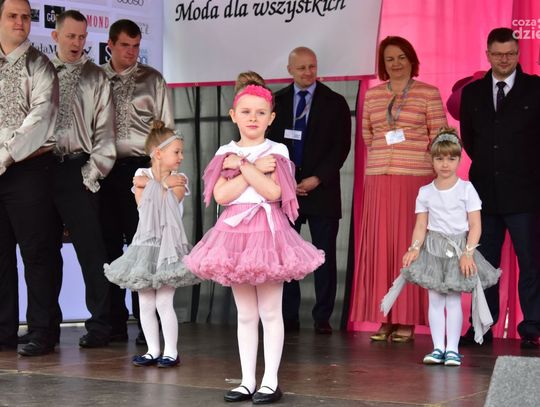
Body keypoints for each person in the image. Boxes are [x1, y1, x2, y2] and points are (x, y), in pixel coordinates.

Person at [184, 73, 324, 404]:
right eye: (246, 112)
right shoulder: (225, 151)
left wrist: (246, 167)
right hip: (234, 234)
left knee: (271, 312)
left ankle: (270, 381)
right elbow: (222, 195)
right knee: (246, 313)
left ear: (271, 118)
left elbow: (274, 192)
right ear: (234, 115)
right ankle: (247, 380)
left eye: (261, 113)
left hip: (268, 232)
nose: (253, 118)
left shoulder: (277, 150)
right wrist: (253, 168)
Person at [349, 36, 448, 342]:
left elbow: (440, 136)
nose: (396, 64)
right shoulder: (373, 95)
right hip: (379, 178)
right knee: (381, 249)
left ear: (412, 60)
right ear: (383, 64)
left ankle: (407, 319)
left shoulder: (428, 93)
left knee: (410, 247)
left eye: (402, 57)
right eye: (390, 59)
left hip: (414, 178)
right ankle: (385, 317)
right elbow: (368, 135)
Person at [380, 128, 501, 366]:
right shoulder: (425, 192)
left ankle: (452, 349)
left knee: (453, 299)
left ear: (459, 160)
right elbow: (421, 225)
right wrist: (415, 248)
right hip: (433, 250)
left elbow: (475, 225)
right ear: (432, 159)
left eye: (451, 158)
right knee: (435, 299)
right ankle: (438, 348)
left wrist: (467, 253)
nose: (445, 164)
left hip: (458, 250)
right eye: (440, 158)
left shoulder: (466, 189)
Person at [460, 27, 540, 348]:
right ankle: (481, 326)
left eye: (510, 54)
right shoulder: (472, 93)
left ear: (518, 54)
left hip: (526, 194)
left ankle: (532, 328)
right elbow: (470, 140)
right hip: (484, 195)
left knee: (530, 264)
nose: (504, 59)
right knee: (483, 265)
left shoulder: (536, 88)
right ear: (488, 55)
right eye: (498, 54)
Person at [101, 19, 175, 345]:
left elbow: (166, 131)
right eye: (124, 46)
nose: (131, 52)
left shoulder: (152, 79)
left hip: (141, 171)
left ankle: (147, 326)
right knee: (107, 247)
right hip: (103, 170)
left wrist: (162, 176)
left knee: (143, 246)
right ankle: (112, 323)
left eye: (136, 46)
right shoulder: (95, 79)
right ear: (110, 45)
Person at [267, 46, 351, 334]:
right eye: (301, 67)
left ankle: (322, 316)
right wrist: (285, 180)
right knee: (287, 256)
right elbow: (270, 145)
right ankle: (288, 315)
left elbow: (341, 147)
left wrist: (317, 178)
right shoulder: (276, 101)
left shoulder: (335, 102)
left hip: (322, 191)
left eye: (312, 66)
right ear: (289, 70)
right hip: (286, 191)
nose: (307, 72)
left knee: (324, 256)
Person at [47, 10, 115, 349]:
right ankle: (45, 327)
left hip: (80, 170)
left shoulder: (96, 77)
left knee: (91, 252)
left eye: (82, 36)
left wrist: (89, 176)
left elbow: (106, 134)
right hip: (41, 171)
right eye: (70, 36)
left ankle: (100, 325)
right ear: (55, 36)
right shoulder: (41, 72)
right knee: (43, 253)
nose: (77, 42)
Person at [105, 120, 199, 368]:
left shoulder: (180, 179)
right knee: (146, 303)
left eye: (181, 152)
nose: (181, 157)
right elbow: (143, 204)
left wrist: (159, 186)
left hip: (169, 246)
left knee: (164, 302)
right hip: (145, 245)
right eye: (176, 152)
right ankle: (152, 349)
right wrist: (163, 185)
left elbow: (169, 202)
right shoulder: (141, 175)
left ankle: (171, 351)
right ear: (158, 153)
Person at [0, 0, 62, 356]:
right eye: (13, 15)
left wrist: (5, 156)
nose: (20, 22)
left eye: (25, 16)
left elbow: (41, 118)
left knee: (38, 253)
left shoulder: (40, 65)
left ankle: (42, 330)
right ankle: (3, 331)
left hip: (29, 169)